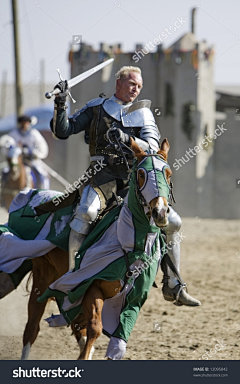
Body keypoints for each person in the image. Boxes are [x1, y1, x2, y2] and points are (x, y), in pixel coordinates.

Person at [51, 65, 200, 307]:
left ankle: (173, 284)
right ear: (118, 83)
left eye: (139, 86)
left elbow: (152, 148)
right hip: (102, 177)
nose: (136, 89)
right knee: (85, 213)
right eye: (132, 84)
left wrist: (126, 138)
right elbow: (63, 130)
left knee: (173, 221)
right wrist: (60, 103)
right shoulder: (95, 108)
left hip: (134, 180)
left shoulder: (143, 114)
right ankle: (72, 279)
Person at [9, 115, 50, 189]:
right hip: (17, 161)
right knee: (5, 173)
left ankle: (43, 191)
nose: (24, 124)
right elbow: (9, 146)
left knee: (41, 174)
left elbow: (42, 147)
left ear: (29, 123)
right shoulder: (14, 134)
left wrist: (34, 153)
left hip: (31, 160)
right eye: (23, 123)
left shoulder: (34, 134)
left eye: (26, 123)